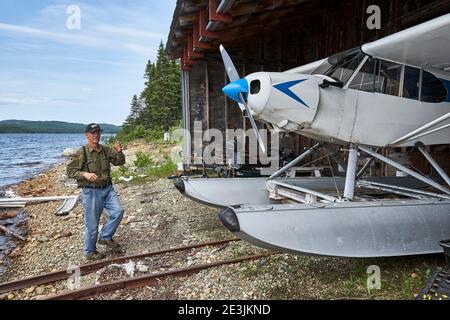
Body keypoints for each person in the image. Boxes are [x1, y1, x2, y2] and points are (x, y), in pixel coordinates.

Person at [66, 123, 126, 261]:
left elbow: (119, 162)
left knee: (118, 211)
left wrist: (119, 152)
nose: (96, 135)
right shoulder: (81, 152)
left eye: (98, 132)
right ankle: (89, 252)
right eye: (93, 133)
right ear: (87, 135)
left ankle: (105, 237)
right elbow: (70, 171)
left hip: (108, 189)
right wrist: (85, 174)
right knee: (92, 225)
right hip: (91, 192)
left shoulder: (105, 149)